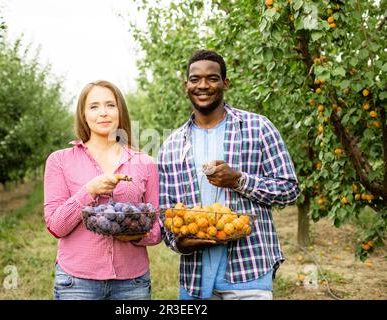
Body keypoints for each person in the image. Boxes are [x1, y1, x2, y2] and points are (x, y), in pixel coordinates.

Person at [158, 50, 300, 300]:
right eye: (195, 79)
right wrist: (179, 243)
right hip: (195, 278)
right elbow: (167, 212)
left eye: (212, 78)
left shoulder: (258, 128)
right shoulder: (172, 145)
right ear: (186, 85)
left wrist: (239, 181)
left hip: (249, 270)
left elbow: (289, 191)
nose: (203, 85)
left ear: (225, 83)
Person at [44, 80, 161, 300]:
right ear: (83, 114)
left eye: (110, 105)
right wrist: (89, 190)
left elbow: (156, 229)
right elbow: (56, 226)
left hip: (132, 282)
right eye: (94, 106)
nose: (103, 113)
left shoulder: (145, 163)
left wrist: (134, 235)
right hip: (77, 282)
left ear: (120, 111)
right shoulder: (60, 160)